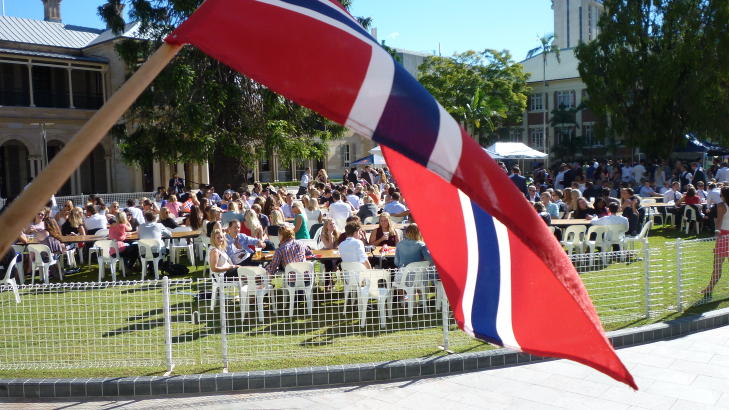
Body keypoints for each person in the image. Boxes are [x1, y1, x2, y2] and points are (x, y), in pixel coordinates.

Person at [702, 187, 729, 298]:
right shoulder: (721, 205)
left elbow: (719, 221)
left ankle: (709, 289)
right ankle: (709, 288)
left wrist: (717, 234)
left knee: (717, 265)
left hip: (723, 236)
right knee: (718, 265)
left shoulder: (721, 205)